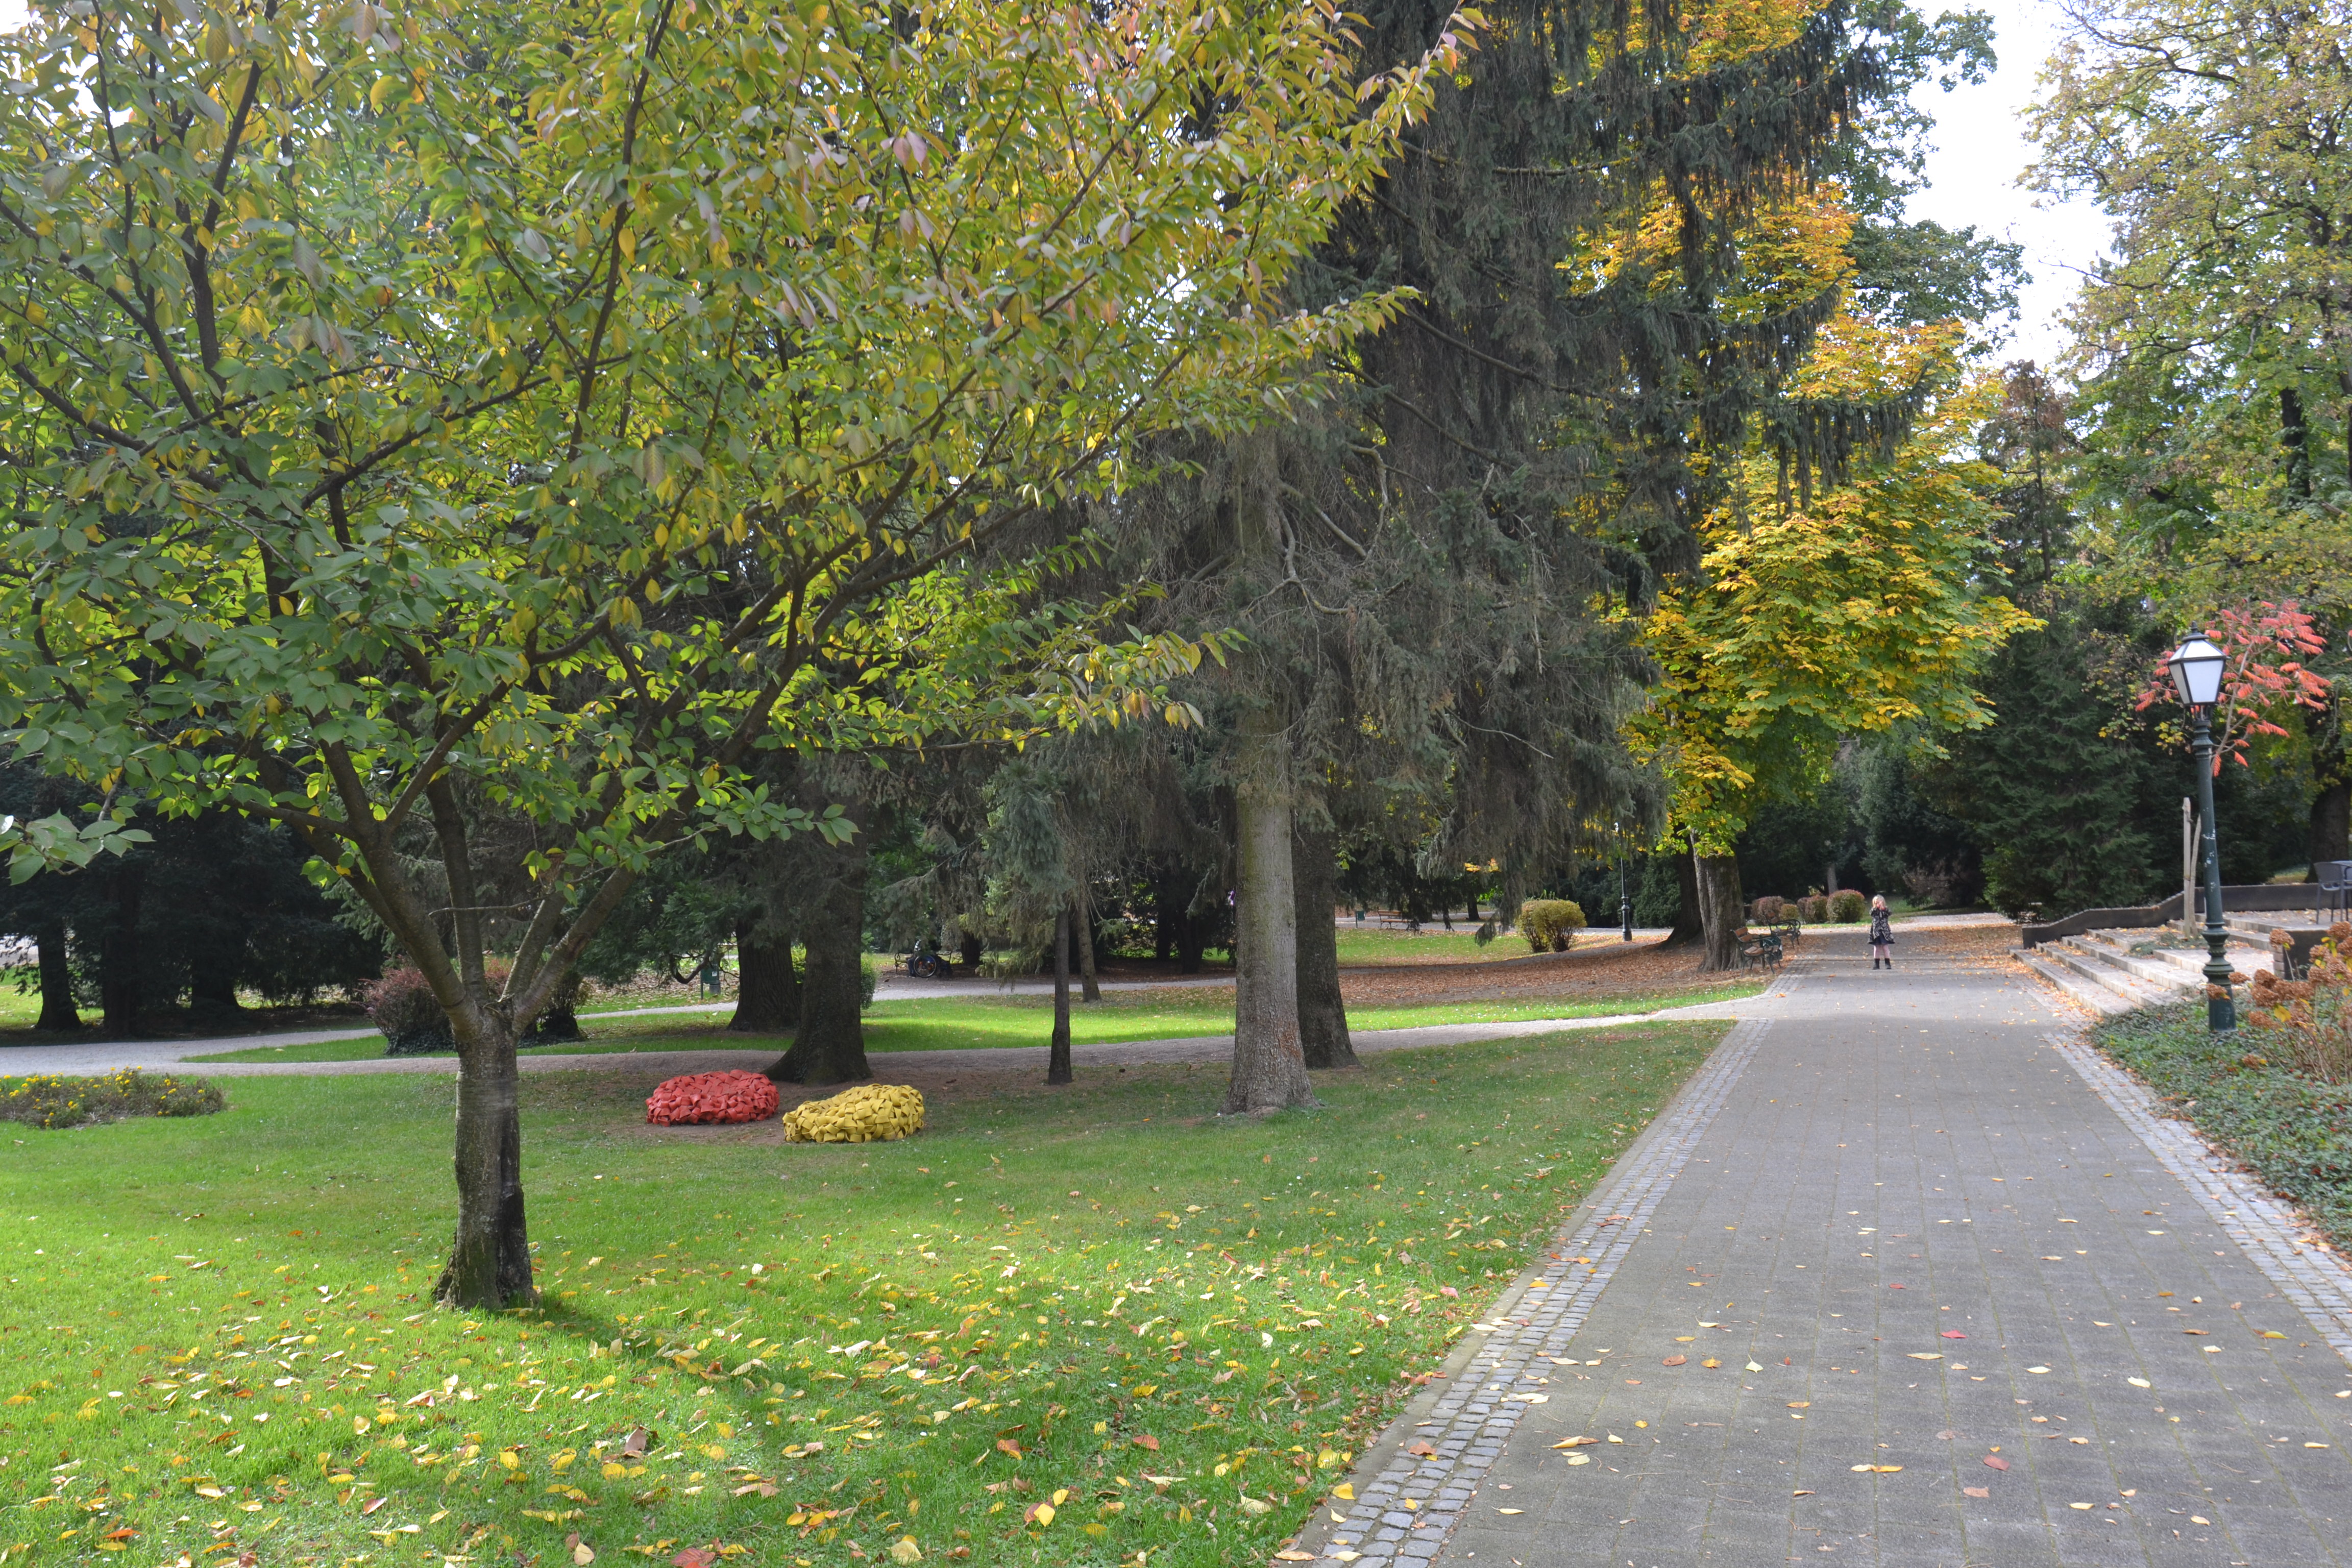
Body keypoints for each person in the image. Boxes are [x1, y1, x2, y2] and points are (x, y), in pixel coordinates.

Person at [1869, 894, 1894, 970]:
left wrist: (1883, 909)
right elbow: (1871, 913)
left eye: (1880, 903)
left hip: (1884, 931)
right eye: (1876, 903)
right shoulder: (1874, 910)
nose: (1878, 905)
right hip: (1876, 931)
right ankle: (1876, 964)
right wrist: (1876, 908)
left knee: (1885, 948)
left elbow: (1890, 913)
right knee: (1877, 948)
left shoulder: (1886, 910)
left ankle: (1888, 963)